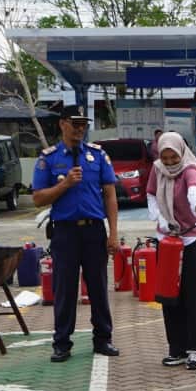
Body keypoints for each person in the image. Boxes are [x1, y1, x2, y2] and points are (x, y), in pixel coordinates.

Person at [33, 115, 120, 362]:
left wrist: (113, 233)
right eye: (75, 124)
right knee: (64, 289)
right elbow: (38, 198)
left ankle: (103, 339)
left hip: (94, 230)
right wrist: (65, 184)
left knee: (98, 287)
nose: (80, 129)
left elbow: (110, 196)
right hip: (65, 232)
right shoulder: (48, 158)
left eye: (84, 125)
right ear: (63, 124)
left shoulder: (98, 155)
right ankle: (62, 343)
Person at [147, 132, 196, 370]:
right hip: (166, 240)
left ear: (181, 152)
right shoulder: (157, 169)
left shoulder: (190, 169)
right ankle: (177, 349)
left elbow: (194, 191)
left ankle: (195, 350)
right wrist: (159, 217)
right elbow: (152, 194)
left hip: (192, 240)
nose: (170, 163)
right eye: (165, 158)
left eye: (174, 158)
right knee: (169, 295)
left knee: (194, 296)